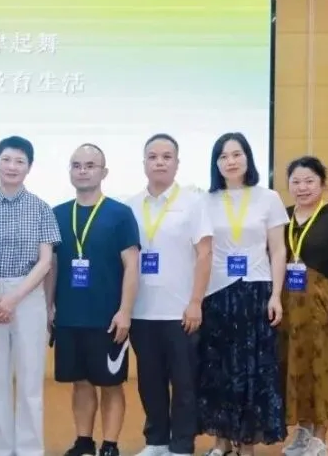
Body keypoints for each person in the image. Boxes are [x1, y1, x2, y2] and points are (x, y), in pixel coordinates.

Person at [45, 144, 139, 456]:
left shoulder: (120, 214)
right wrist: (49, 306)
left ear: (103, 172)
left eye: (90, 165)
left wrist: (125, 311)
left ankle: (110, 445)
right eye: (76, 165)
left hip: (108, 318)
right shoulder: (58, 214)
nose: (82, 171)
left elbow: (132, 265)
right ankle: (84, 441)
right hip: (70, 317)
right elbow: (52, 265)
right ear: (70, 171)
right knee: (81, 382)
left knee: (111, 383)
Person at [197, 132, 287, 456]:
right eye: (223, 156)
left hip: (256, 291)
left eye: (236, 154)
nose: (230, 161)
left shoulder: (268, 198)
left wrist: (276, 295)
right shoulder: (204, 201)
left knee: (251, 370)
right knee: (217, 368)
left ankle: (246, 444)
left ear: (248, 157)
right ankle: (221, 442)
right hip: (217, 292)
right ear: (216, 164)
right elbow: (201, 251)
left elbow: (278, 250)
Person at [125, 134, 212, 456]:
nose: (159, 162)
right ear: (144, 163)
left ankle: (181, 445)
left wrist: (196, 302)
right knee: (149, 381)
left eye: (166, 157)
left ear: (177, 163)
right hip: (141, 311)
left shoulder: (193, 202)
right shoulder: (130, 206)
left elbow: (205, 253)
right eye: (153, 156)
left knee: (185, 383)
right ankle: (157, 440)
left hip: (180, 311)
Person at [0, 136, 60, 456]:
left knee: (30, 383)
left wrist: (13, 298)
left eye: (19, 161)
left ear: (29, 167)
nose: (12, 166)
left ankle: (29, 450)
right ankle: (1, 450)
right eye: (6, 160)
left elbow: (45, 261)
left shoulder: (41, 208)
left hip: (29, 295)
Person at [280, 156, 328, 456]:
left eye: (309, 181)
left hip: (322, 305)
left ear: (323, 184)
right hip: (289, 305)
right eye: (296, 182)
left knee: (322, 368)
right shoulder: (284, 217)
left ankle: (320, 437)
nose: (302, 187)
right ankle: (302, 429)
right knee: (294, 366)